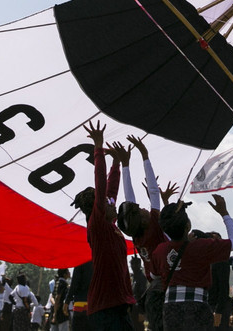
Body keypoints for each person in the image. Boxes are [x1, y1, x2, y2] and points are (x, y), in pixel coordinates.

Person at [76, 121, 136, 331]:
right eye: (106, 202)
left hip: (118, 305)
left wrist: (116, 164)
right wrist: (98, 148)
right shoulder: (98, 224)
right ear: (97, 206)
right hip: (104, 309)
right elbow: (102, 184)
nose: (113, 202)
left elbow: (110, 190)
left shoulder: (109, 223)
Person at [151, 197, 233, 331]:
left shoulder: (160, 250)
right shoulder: (201, 246)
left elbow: (153, 276)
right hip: (197, 307)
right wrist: (224, 213)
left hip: (170, 309)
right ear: (188, 226)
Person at [115, 135, 169, 331]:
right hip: (167, 286)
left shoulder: (136, 235)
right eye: (142, 210)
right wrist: (144, 155)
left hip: (154, 289)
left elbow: (130, 202)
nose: (145, 208)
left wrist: (125, 165)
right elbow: (154, 192)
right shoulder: (154, 226)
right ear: (143, 218)